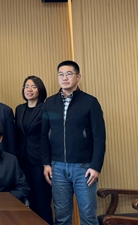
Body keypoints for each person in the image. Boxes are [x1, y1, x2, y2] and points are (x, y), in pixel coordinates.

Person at [41, 60, 106, 225]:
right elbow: (44, 135)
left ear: (78, 77)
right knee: (61, 218)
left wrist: (96, 166)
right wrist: (46, 163)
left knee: (88, 217)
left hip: (84, 168)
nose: (64, 78)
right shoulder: (50, 103)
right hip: (57, 167)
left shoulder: (90, 102)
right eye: (61, 74)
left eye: (69, 74)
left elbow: (99, 137)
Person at [15, 76, 53, 225]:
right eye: (26, 86)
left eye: (33, 87)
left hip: (40, 162)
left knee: (42, 203)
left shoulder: (46, 108)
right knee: (27, 203)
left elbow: (47, 137)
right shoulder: (19, 109)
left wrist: (46, 163)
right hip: (22, 162)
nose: (29, 90)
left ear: (40, 90)